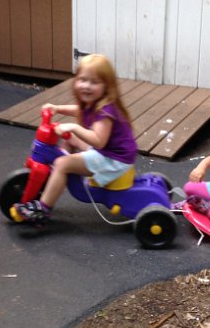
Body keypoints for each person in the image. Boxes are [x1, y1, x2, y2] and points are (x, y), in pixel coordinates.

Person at [14, 54, 138, 224]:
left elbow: (99, 141)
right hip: (109, 152)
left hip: (114, 160)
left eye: (94, 82)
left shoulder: (105, 111)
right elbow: (78, 110)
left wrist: (74, 127)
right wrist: (57, 108)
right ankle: (64, 170)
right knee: (70, 139)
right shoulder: (94, 102)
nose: (86, 86)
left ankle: (43, 209)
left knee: (62, 163)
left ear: (107, 86)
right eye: (82, 80)